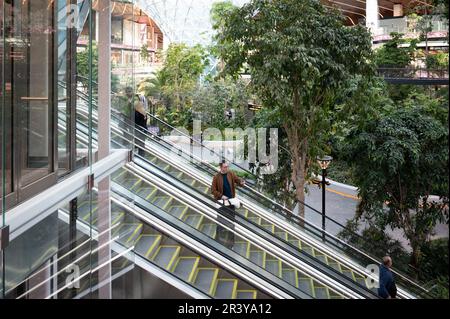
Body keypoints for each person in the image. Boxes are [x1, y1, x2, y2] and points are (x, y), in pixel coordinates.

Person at [211, 161, 245, 249]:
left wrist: (241, 183)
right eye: (225, 167)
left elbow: (237, 180)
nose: (227, 168)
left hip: (231, 203)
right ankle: (217, 240)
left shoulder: (230, 174)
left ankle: (231, 243)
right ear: (221, 167)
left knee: (231, 223)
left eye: (227, 167)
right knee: (220, 223)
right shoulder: (216, 177)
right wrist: (221, 196)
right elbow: (213, 190)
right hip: (222, 204)